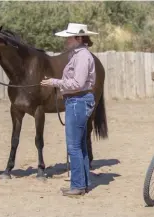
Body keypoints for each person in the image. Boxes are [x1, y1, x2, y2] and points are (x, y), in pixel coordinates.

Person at [40, 23, 98, 197]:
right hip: (79, 101)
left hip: (77, 101)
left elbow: (78, 84)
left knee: (73, 146)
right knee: (80, 145)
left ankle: (78, 186)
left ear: (79, 38)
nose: (66, 40)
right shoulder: (80, 55)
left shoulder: (81, 57)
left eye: (69, 37)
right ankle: (83, 183)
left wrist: (55, 82)